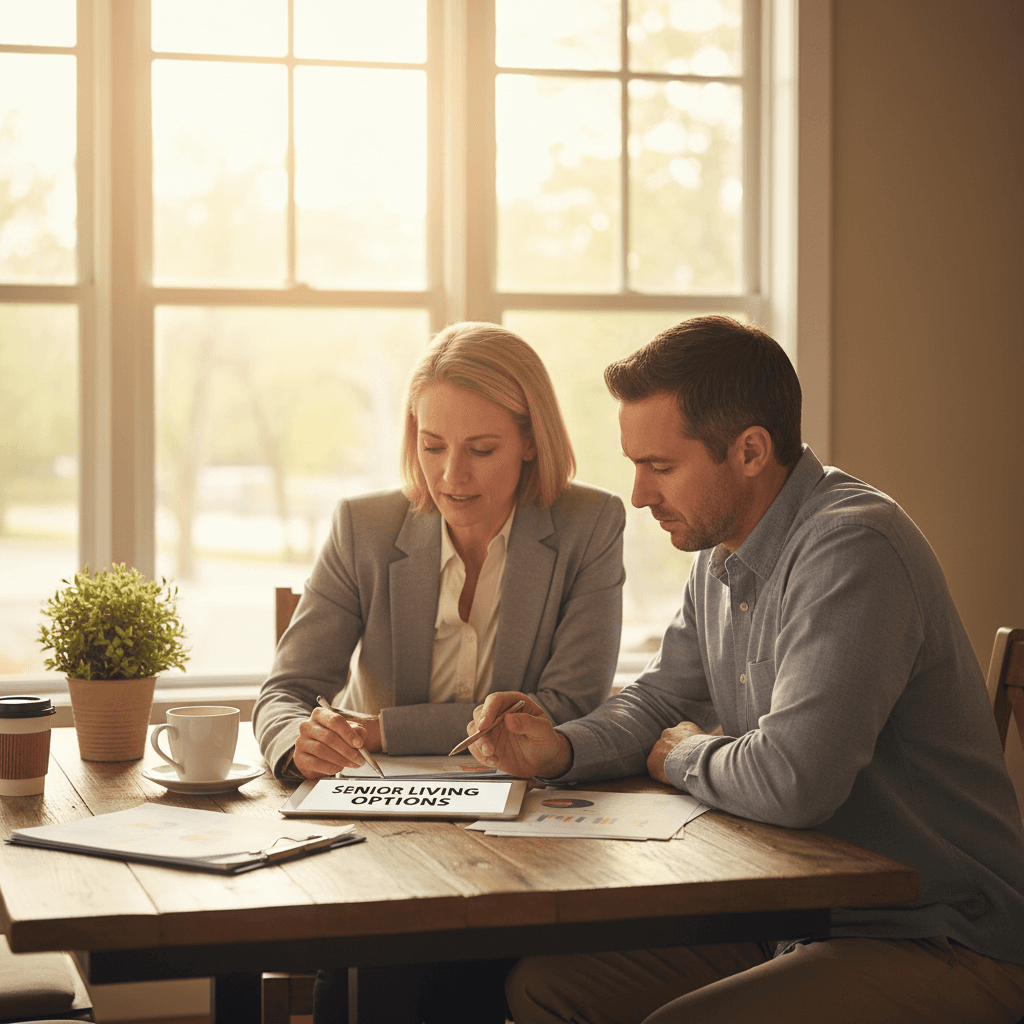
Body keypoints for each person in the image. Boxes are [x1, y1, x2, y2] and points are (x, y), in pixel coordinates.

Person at [466, 315, 1024, 1024]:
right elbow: (662, 698)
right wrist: (565, 746)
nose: (637, 495)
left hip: (939, 936)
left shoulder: (854, 547)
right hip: (804, 921)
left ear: (752, 451)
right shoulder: (720, 553)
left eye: (660, 467)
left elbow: (793, 782)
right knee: (546, 988)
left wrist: (684, 756)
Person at [253, 320, 626, 1024]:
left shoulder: (590, 525)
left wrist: (383, 731)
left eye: (481, 449)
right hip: (382, 837)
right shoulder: (364, 527)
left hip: (526, 840)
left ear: (529, 441)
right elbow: (285, 692)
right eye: (432, 446)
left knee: (459, 972)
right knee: (383, 969)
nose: (451, 475)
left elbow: (565, 703)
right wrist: (294, 740)